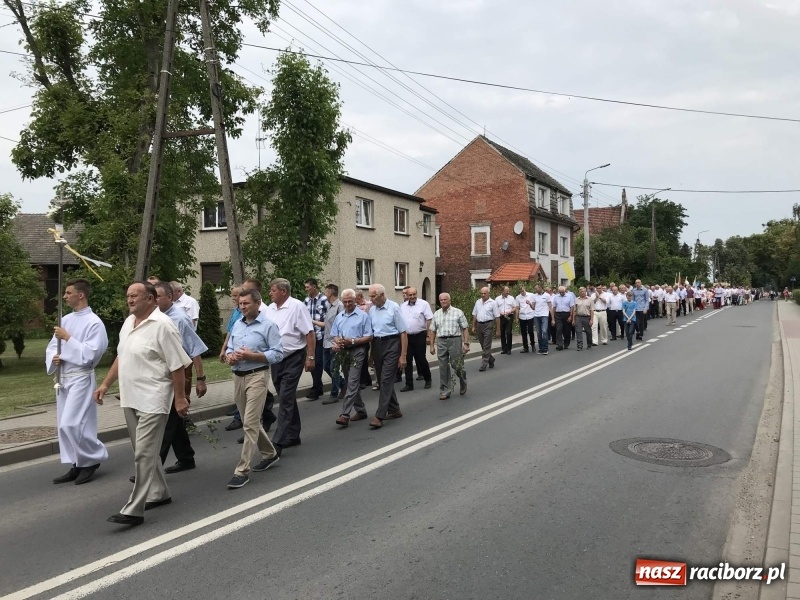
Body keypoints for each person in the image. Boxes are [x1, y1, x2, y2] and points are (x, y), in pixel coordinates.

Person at [94, 281, 190, 527]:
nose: (130, 299)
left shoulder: (163, 326)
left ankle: (134, 509)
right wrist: (105, 384)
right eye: (128, 295)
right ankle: (160, 492)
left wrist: (179, 397)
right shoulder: (128, 323)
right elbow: (121, 355)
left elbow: (177, 365)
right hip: (130, 396)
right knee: (144, 452)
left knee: (144, 453)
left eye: (135, 295)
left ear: (150, 298)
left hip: (153, 398)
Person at [46, 278, 109, 485]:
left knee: (72, 423)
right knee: (64, 426)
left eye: (68, 292)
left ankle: (91, 459)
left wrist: (68, 339)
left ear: (80, 295)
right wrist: (54, 357)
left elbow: (91, 354)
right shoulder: (65, 320)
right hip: (63, 377)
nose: (64, 296)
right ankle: (77, 462)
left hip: (81, 377)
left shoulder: (94, 323)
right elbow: (51, 346)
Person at [225, 288, 284, 489]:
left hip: (257, 375)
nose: (242, 307)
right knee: (248, 421)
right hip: (238, 376)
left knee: (250, 422)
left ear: (258, 304)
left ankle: (242, 471)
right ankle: (270, 453)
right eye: (240, 304)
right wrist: (230, 356)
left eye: (246, 303)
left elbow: (278, 354)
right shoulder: (237, 325)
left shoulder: (268, 326)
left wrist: (253, 356)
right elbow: (230, 349)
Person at [153, 282, 208, 474]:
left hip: (177, 374)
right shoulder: (154, 318)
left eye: (158, 296)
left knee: (167, 422)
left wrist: (200, 378)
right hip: (160, 376)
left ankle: (151, 468)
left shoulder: (179, 319)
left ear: (169, 297)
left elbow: (195, 349)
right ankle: (186, 457)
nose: (154, 300)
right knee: (174, 421)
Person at [264, 278, 315, 454]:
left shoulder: (297, 306)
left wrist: (310, 357)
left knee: (285, 398)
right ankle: (293, 435)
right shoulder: (269, 309)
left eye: (273, 290)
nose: (270, 293)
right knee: (287, 396)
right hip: (276, 359)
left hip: (294, 357)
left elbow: (309, 333)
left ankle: (277, 442)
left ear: (283, 291)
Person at [367, 284, 408, 429]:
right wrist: (371, 354)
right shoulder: (372, 310)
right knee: (383, 379)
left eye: (373, 296)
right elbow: (373, 333)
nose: (370, 299)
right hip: (377, 346)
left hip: (392, 344)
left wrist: (403, 356)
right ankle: (395, 409)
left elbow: (403, 332)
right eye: (370, 296)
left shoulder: (394, 307)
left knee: (385, 380)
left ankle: (380, 415)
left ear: (382, 295)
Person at [331, 289, 373, 426]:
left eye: (350, 301)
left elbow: (369, 336)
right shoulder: (340, 316)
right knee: (350, 381)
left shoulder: (363, 316)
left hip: (358, 351)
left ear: (355, 301)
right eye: (345, 302)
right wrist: (338, 342)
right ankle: (361, 410)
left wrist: (353, 341)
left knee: (353, 382)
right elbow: (335, 334)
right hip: (344, 352)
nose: (348, 304)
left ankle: (345, 414)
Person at [429, 292, 469, 400]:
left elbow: (465, 328)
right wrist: (432, 345)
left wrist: (466, 343)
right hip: (441, 341)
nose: (443, 301)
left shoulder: (457, 312)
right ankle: (445, 390)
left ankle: (463, 381)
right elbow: (432, 330)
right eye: (441, 300)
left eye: (445, 300)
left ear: (449, 301)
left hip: (454, 340)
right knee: (443, 366)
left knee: (457, 365)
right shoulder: (437, 314)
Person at [399, 286, 433, 391]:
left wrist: (428, 335)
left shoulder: (424, 304)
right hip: (407, 337)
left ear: (416, 294)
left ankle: (428, 379)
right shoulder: (403, 306)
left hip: (420, 335)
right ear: (407, 296)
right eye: (410, 295)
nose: (412, 296)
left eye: (414, 294)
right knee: (407, 360)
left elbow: (429, 320)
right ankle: (409, 384)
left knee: (421, 359)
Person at [320, 284, 346, 404]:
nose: (325, 292)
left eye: (326, 290)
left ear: (330, 292)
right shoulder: (329, 306)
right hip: (326, 341)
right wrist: (312, 321)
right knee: (326, 366)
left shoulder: (339, 306)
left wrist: (339, 342)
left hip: (335, 343)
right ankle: (343, 384)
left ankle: (334, 394)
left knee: (334, 368)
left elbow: (343, 324)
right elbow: (327, 325)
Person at [304, 278, 328, 400]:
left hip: (321, 335)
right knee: (312, 362)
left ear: (314, 287)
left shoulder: (324, 300)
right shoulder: (306, 301)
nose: (306, 289)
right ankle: (318, 387)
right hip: (309, 336)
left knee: (318, 362)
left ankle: (316, 388)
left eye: (308, 287)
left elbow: (327, 319)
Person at [471, 287, 500, 371]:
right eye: (482, 293)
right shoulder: (478, 302)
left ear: (488, 294)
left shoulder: (493, 303)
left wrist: (498, 329)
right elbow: (474, 315)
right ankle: (491, 359)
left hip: (489, 324)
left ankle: (484, 364)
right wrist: (473, 326)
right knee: (483, 345)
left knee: (486, 345)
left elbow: (497, 317)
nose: (483, 295)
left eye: (485, 293)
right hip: (480, 324)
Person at [531, 284, 553, 355]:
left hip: (544, 315)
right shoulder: (534, 296)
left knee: (544, 331)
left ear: (540, 288)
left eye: (536, 288)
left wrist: (553, 318)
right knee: (538, 332)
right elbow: (533, 307)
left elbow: (550, 307)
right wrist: (529, 304)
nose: (535, 290)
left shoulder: (547, 295)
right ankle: (541, 348)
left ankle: (545, 348)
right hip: (536, 316)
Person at [551, 286, 575, 351]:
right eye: (560, 292)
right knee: (559, 329)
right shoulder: (556, 297)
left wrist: (571, 316)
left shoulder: (569, 296)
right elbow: (554, 308)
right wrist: (553, 319)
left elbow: (572, 307)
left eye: (563, 292)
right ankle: (560, 345)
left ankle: (566, 343)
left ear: (565, 291)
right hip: (558, 314)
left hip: (566, 314)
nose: (561, 293)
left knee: (567, 330)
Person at [495, 286, 516, 355]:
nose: (508, 292)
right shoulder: (497, 299)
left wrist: (510, 311)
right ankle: (504, 348)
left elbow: (515, 307)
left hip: (509, 316)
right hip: (501, 316)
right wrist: (500, 312)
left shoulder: (511, 298)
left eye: (508, 290)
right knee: (502, 332)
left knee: (509, 332)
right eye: (506, 291)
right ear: (503, 291)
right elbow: (495, 308)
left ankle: (509, 348)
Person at [516, 285, 535, 353]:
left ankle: (533, 344)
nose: (522, 292)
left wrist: (529, 303)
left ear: (525, 289)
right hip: (522, 316)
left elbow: (533, 306)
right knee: (523, 332)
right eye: (521, 291)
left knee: (530, 331)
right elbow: (517, 308)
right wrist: (516, 318)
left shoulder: (531, 295)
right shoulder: (518, 297)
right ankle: (525, 347)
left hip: (530, 315)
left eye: (523, 291)